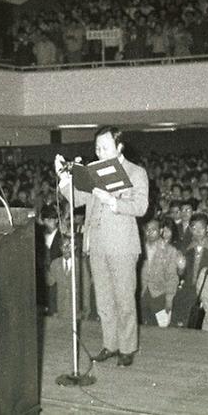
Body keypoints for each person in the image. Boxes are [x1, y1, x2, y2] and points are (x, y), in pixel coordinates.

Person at [55, 126, 148, 367]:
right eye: (97, 147)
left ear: (119, 147)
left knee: (124, 299)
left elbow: (141, 207)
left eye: (104, 147)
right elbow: (78, 198)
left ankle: (127, 347)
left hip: (122, 246)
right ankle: (111, 344)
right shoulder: (94, 173)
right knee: (104, 299)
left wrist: (114, 201)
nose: (99, 151)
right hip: (96, 244)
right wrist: (64, 179)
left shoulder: (136, 172)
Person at [139, 219, 184, 326]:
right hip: (141, 294)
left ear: (161, 231)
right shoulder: (139, 248)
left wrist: (169, 299)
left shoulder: (170, 250)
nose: (150, 232)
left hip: (160, 295)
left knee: (161, 329)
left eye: (153, 230)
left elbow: (172, 277)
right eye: (147, 229)